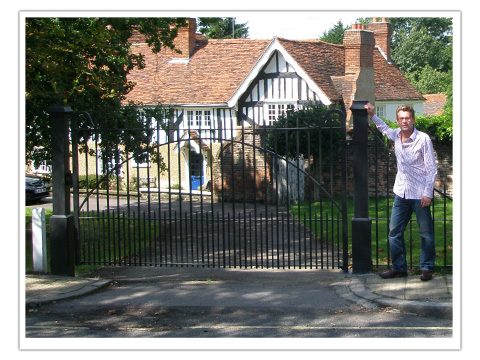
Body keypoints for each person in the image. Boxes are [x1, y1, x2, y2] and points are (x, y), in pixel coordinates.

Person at [364, 102, 437, 281]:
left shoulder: (423, 139)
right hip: (401, 193)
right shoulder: (396, 135)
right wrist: (372, 115)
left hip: (420, 194)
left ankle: (426, 268)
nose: (404, 121)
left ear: (413, 119)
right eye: (401, 118)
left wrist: (428, 192)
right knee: (394, 232)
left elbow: (432, 168)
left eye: (408, 118)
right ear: (398, 120)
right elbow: (384, 129)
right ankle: (399, 268)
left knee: (425, 233)